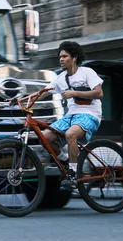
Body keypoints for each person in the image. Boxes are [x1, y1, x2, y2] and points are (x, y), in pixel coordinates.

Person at [26, 41, 103, 188]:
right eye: (59, 57)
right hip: (71, 116)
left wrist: (75, 93)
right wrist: (21, 98)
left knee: (70, 134)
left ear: (74, 58)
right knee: (45, 137)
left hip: (90, 115)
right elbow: (43, 93)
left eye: (64, 56)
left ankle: (73, 174)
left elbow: (99, 93)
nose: (61, 59)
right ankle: (66, 160)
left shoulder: (87, 72)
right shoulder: (61, 78)